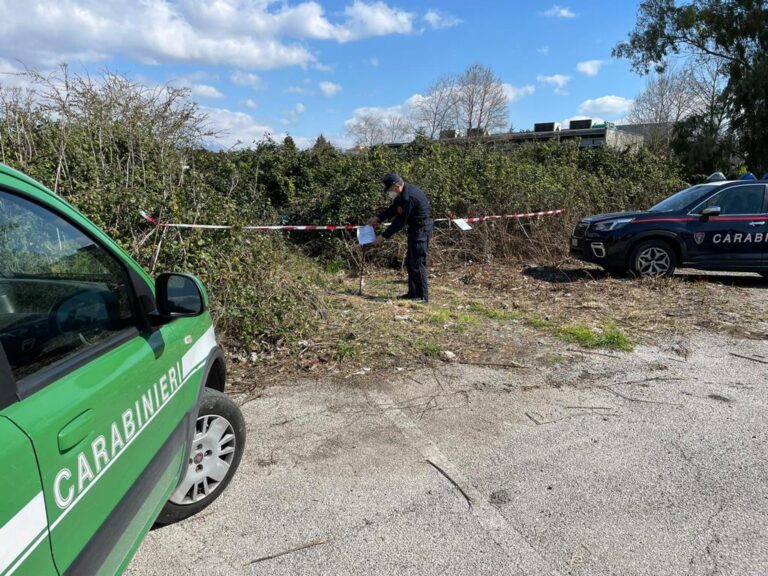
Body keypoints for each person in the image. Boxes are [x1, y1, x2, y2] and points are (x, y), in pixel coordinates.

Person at [369, 173, 433, 303]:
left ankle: (422, 297)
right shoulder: (402, 194)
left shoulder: (408, 197)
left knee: (418, 263)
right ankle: (412, 293)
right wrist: (379, 218)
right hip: (415, 229)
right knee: (411, 261)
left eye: (389, 190)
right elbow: (394, 209)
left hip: (421, 229)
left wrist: (382, 236)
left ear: (396, 185)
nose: (389, 193)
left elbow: (400, 221)